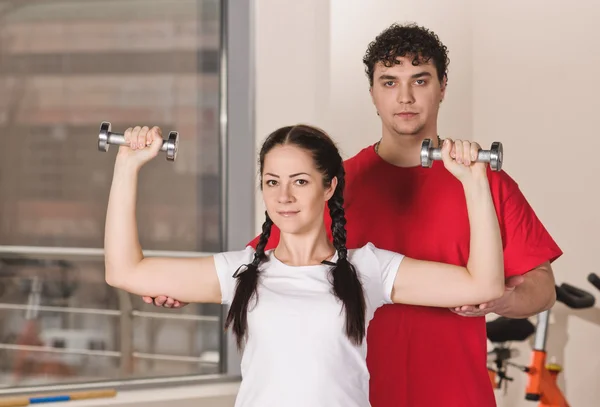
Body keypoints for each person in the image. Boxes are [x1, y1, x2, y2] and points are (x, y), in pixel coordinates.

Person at [143, 23, 563, 406]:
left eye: (419, 80)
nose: (405, 97)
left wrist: (502, 297)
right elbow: (261, 266)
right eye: (389, 82)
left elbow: (543, 287)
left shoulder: (484, 184)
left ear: (442, 88)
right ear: (373, 92)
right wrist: (178, 285)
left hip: (455, 394)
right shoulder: (335, 185)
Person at [105, 123, 505, 407]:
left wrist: (474, 180)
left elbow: (483, 285)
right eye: (271, 182)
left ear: (329, 186)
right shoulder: (241, 271)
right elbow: (123, 271)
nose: (283, 196)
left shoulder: (368, 269)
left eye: (299, 181)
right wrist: (127, 165)